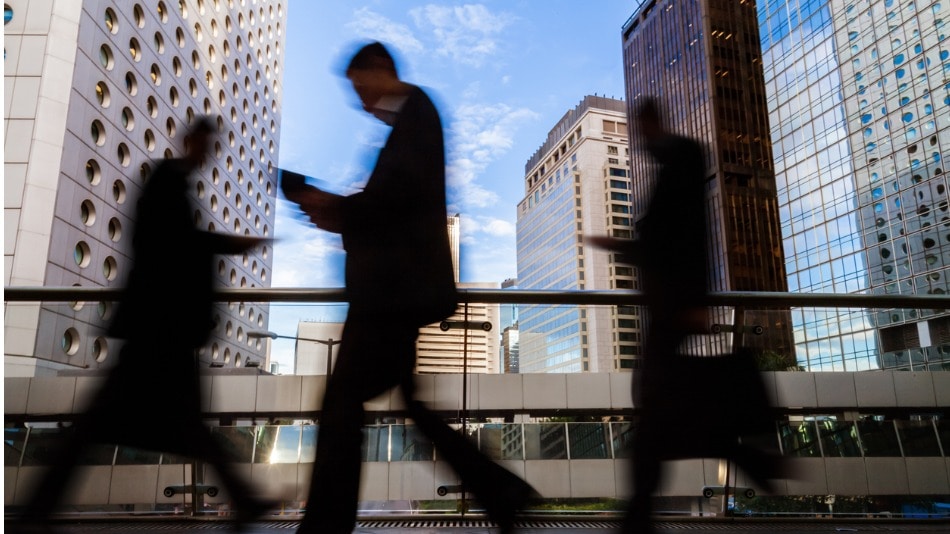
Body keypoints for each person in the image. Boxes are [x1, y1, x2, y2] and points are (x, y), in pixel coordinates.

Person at [282, 42, 536, 534]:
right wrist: (339, 210)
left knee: (342, 407)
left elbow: (399, 198)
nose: (359, 101)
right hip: (393, 292)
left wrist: (336, 208)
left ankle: (326, 526)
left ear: (380, 70)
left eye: (359, 86)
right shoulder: (411, 120)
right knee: (406, 404)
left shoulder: (416, 114)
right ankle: (498, 490)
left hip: (390, 293)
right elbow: (395, 200)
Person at [14, 118, 271, 531]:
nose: (208, 154)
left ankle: (39, 510)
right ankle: (38, 510)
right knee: (134, 423)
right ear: (189, 142)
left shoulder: (171, 184)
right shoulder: (167, 182)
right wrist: (227, 244)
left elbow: (173, 244)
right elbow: (173, 245)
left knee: (119, 423)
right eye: (205, 144)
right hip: (160, 326)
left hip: (160, 326)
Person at [589, 98, 782, 534]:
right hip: (669, 302)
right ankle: (734, 452)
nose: (638, 136)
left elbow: (687, 235)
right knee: (654, 399)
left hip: (675, 302)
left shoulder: (683, 156)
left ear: (652, 121)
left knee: (652, 399)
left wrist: (692, 297)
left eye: (640, 125)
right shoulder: (671, 161)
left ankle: (645, 511)